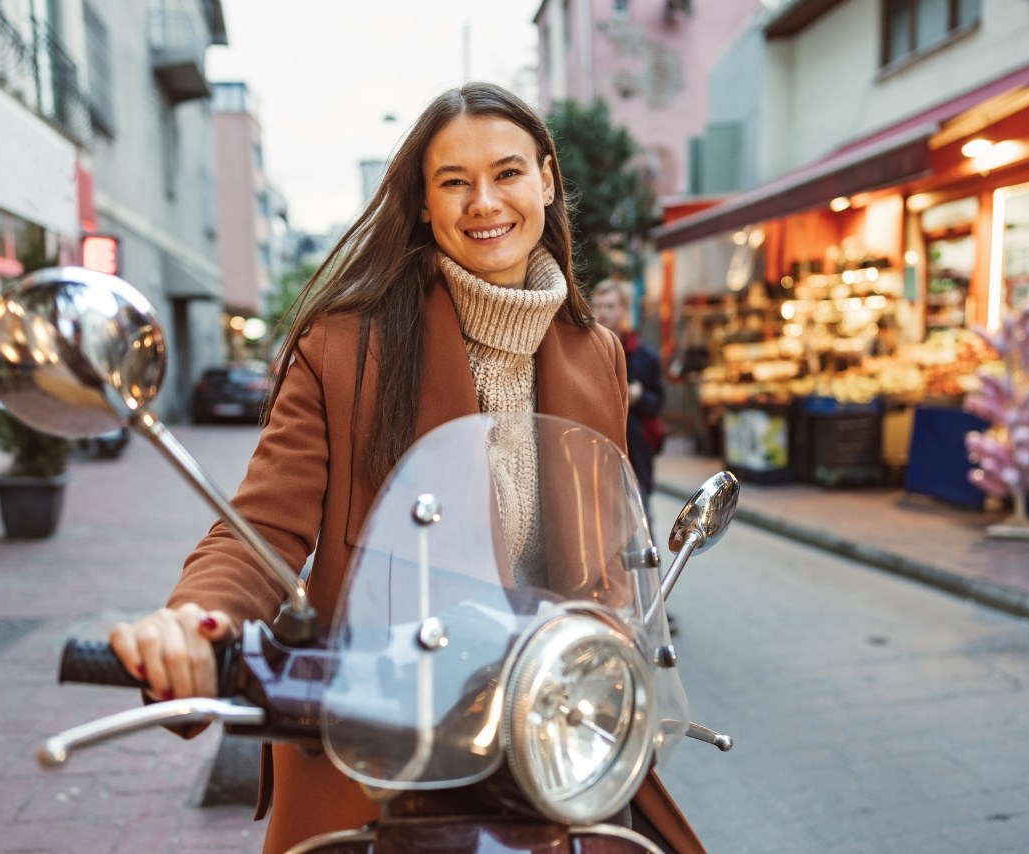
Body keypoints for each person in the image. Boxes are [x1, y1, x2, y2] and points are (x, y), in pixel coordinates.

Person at [106, 82, 703, 854]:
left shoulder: (596, 353)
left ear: (547, 181)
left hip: (551, 746)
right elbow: (261, 525)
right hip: (387, 747)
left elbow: (607, 551)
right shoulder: (343, 341)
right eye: (454, 182)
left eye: (508, 173)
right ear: (423, 204)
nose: (484, 201)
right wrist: (195, 621)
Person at [591, 278, 666, 525]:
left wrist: (639, 397)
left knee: (640, 523)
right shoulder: (585, 351)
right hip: (595, 454)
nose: (602, 313)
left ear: (624, 309)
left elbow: (658, 402)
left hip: (635, 454)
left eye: (610, 306)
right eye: (598, 306)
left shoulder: (646, 357)